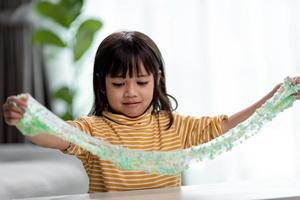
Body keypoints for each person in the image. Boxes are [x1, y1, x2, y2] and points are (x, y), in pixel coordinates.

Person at [2, 31, 300, 193]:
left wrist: (274, 96)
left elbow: (224, 127)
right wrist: (25, 122)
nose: (131, 92)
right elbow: (51, 136)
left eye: (142, 82)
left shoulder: (174, 126)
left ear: (157, 79)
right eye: (119, 83)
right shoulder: (92, 130)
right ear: (102, 85)